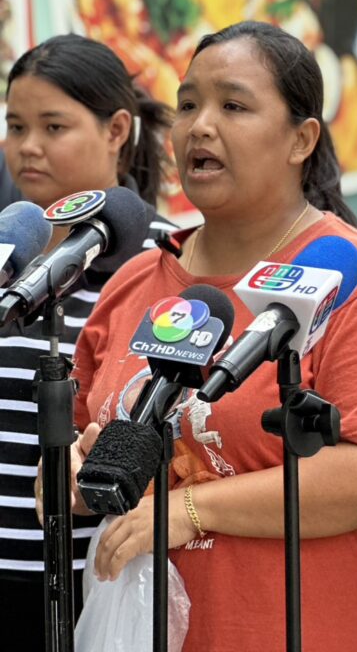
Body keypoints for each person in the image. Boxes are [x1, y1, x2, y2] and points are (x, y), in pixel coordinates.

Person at [66, 21, 357, 652]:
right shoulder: (135, 281)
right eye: (188, 105)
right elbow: (81, 441)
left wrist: (192, 512)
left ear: (302, 139)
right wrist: (74, 473)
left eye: (233, 106)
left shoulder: (355, 280)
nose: (200, 127)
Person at [0, 33, 172, 651]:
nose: (28, 146)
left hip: (89, 582)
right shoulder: (7, 254)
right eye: (15, 126)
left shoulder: (165, 261)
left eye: (54, 126)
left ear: (117, 129)